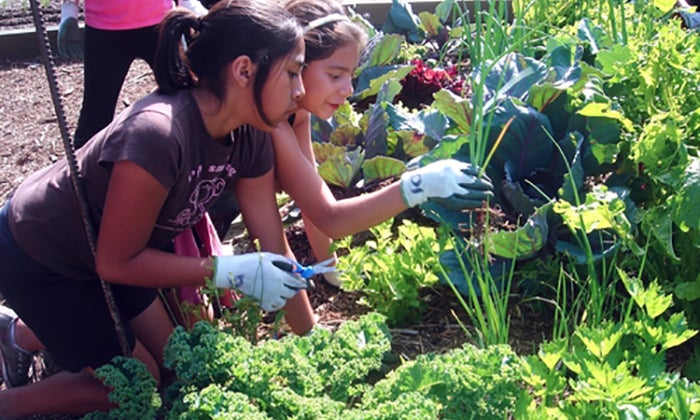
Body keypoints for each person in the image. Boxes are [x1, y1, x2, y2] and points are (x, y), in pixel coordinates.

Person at [0, 1, 309, 416]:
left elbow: (275, 246)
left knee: (180, 369)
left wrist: (315, 344)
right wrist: (227, 270)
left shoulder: (251, 134)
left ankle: (15, 335)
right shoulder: (158, 135)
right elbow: (115, 263)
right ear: (243, 70)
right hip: (40, 255)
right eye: (293, 73)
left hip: (118, 250)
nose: (301, 91)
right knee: (134, 386)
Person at [233, 0, 495, 292]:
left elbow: (312, 201)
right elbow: (327, 219)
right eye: (335, 76)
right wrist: (419, 185)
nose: (348, 90)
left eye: (350, 76)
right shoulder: (271, 124)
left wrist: (330, 267)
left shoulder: (298, 113)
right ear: (296, 63)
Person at [57, 0, 208, 149]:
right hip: (105, 28)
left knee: (183, 95)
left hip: (159, 22)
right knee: (97, 110)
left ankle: (199, 158)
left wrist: (191, 6)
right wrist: (69, 11)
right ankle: (83, 168)